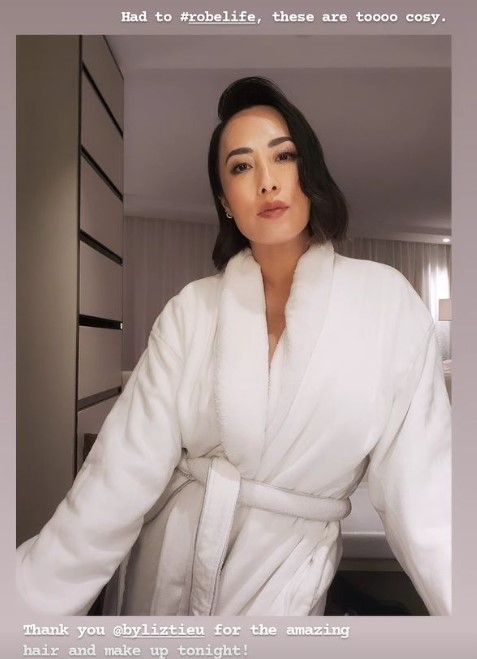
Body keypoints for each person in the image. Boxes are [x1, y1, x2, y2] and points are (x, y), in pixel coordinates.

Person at [16, 76, 451, 617]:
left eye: (283, 156)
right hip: (166, 579)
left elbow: (429, 501)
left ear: (309, 171)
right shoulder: (191, 311)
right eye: (242, 167)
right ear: (225, 202)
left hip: (286, 585)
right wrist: (24, 609)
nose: (267, 182)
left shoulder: (387, 305)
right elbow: (115, 482)